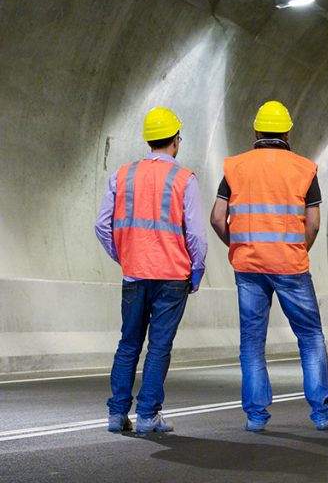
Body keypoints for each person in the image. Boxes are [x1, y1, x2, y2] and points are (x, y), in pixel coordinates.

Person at [210, 100, 328, 432]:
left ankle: (256, 417)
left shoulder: (235, 166)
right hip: (290, 265)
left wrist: (239, 245)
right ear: (286, 132)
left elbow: (216, 217)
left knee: (252, 341)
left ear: (256, 130)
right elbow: (312, 223)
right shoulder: (304, 168)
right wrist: (297, 248)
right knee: (310, 336)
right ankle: (323, 415)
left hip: (248, 265)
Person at [95, 106, 207, 434]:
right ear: (175, 140)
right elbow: (196, 234)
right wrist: (196, 270)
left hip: (134, 273)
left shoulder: (122, 175)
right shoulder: (184, 179)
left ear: (148, 140)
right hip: (173, 277)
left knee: (128, 342)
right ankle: (147, 415)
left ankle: (117, 415)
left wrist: (124, 255)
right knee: (159, 345)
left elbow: (102, 225)